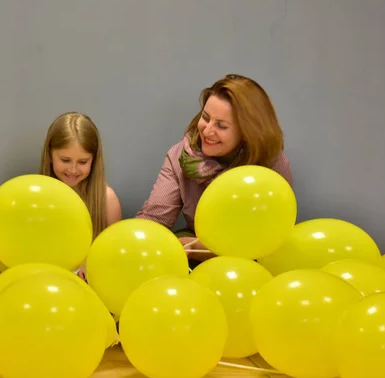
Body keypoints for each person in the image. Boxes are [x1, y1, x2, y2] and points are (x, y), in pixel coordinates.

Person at [135, 74, 293, 268]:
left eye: (222, 125)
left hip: (252, 266)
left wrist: (199, 248)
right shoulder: (181, 156)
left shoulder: (271, 165)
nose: (207, 131)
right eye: (205, 117)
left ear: (247, 132)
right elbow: (154, 219)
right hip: (193, 261)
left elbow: (271, 237)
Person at [40, 112, 122, 279]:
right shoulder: (38, 197)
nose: (73, 170)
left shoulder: (107, 200)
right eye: (65, 160)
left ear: (94, 160)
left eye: (83, 162)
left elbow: (114, 255)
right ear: (50, 155)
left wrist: (91, 265)